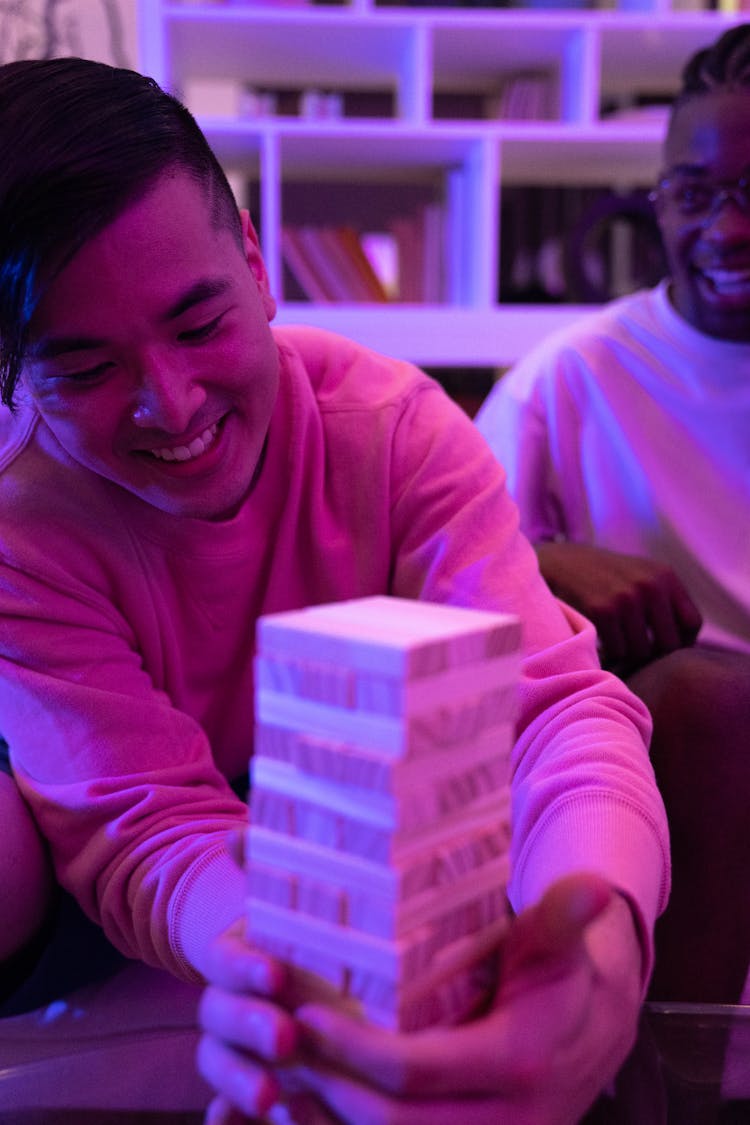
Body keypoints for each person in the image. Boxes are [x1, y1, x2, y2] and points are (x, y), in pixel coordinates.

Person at [0, 57, 669, 1124]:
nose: (171, 407)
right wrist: (299, 978)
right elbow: (143, 823)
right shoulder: (24, 525)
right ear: (16, 375)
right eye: (83, 370)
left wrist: (595, 944)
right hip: (93, 870)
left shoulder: (388, 427)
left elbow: (547, 708)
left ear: (259, 269)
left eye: (201, 323)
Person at [476, 22, 750, 1008]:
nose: (724, 231)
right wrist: (542, 558)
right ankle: (670, 1084)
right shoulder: (570, 379)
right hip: (672, 739)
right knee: (715, 706)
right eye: (694, 195)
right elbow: (443, 579)